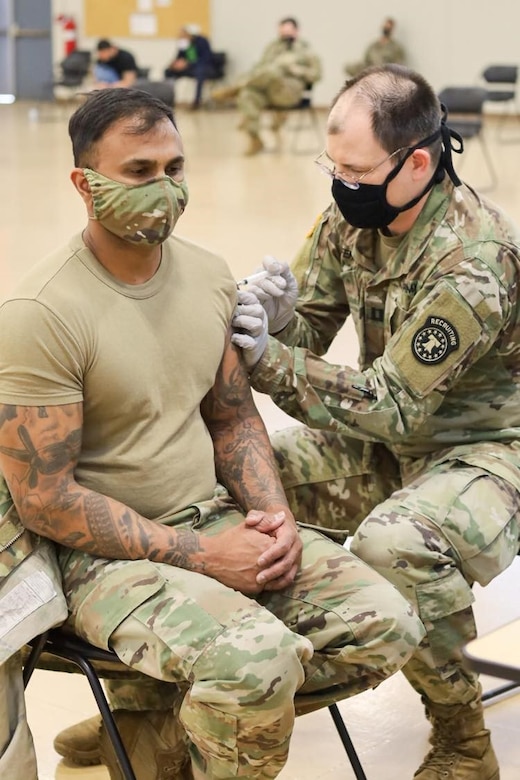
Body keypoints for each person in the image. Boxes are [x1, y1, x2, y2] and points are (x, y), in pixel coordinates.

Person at [0, 87, 424, 780]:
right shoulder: (40, 313)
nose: (166, 190)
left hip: (215, 521)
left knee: (387, 625)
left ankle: (157, 728)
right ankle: (177, 733)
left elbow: (232, 418)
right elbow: (44, 498)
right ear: (84, 183)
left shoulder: (206, 276)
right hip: (100, 561)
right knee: (254, 664)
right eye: (140, 172)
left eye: (175, 168)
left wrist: (273, 514)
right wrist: (201, 555)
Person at [231, 64, 520, 780]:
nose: (340, 183)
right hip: (389, 445)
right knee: (231, 480)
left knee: (399, 543)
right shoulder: (350, 220)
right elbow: (309, 345)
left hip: (485, 455)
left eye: (355, 170)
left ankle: (463, 743)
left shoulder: (471, 262)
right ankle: (196, 701)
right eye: (333, 165)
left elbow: (391, 402)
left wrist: (266, 360)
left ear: (418, 161)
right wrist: (276, 317)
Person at [211, 17, 322, 156]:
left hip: (287, 92)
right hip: (267, 90)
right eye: (282, 33)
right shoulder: (272, 48)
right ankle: (256, 140)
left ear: (296, 31)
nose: (285, 36)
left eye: (288, 32)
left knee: (273, 70)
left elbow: (317, 75)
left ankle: (235, 88)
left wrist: (297, 69)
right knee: (247, 94)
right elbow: (258, 68)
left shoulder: (307, 51)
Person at [164, 24, 215, 110]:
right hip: (187, 68)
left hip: (202, 67)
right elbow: (179, 56)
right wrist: (175, 64)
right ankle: (168, 99)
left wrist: (188, 64)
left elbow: (206, 58)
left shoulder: (202, 41)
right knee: (168, 71)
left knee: (200, 73)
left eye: (184, 34)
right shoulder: (183, 43)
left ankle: (197, 102)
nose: (181, 36)